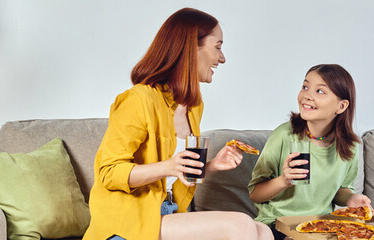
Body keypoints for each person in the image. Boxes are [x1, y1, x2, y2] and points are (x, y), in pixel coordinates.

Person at [84, 8, 272, 240]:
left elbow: (180, 171)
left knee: (262, 230)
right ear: (192, 47)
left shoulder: (193, 106)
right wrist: (168, 166)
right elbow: (108, 173)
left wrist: (210, 166)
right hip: (127, 221)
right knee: (240, 224)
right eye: (218, 46)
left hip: (168, 214)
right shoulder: (139, 99)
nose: (222, 58)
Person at [248, 64, 371, 239]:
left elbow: (340, 190)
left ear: (341, 106)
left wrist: (351, 199)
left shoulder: (349, 146)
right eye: (305, 87)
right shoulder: (284, 135)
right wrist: (284, 180)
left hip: (321, 226)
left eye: (320, 91)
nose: (307, 95)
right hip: (278, 224)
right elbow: (255, 193)